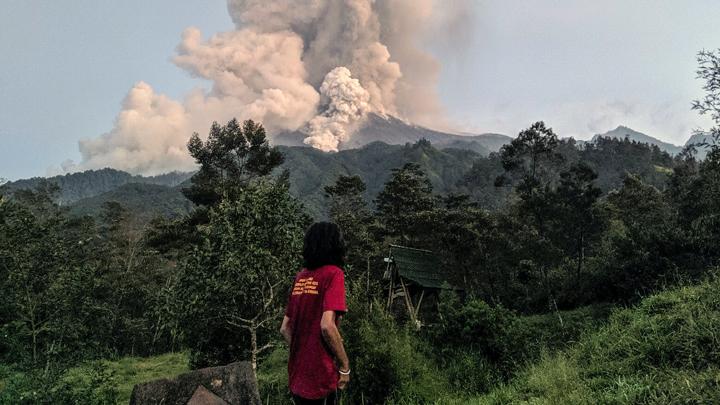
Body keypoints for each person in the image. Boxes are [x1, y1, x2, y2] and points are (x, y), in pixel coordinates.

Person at [281, 222, 350, 404]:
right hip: (321, 377)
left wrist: (303, 353)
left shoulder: (301, 277)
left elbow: (285, 328)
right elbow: (327, 326)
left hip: (297, 375)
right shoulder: (334, 274)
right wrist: (344, 366)